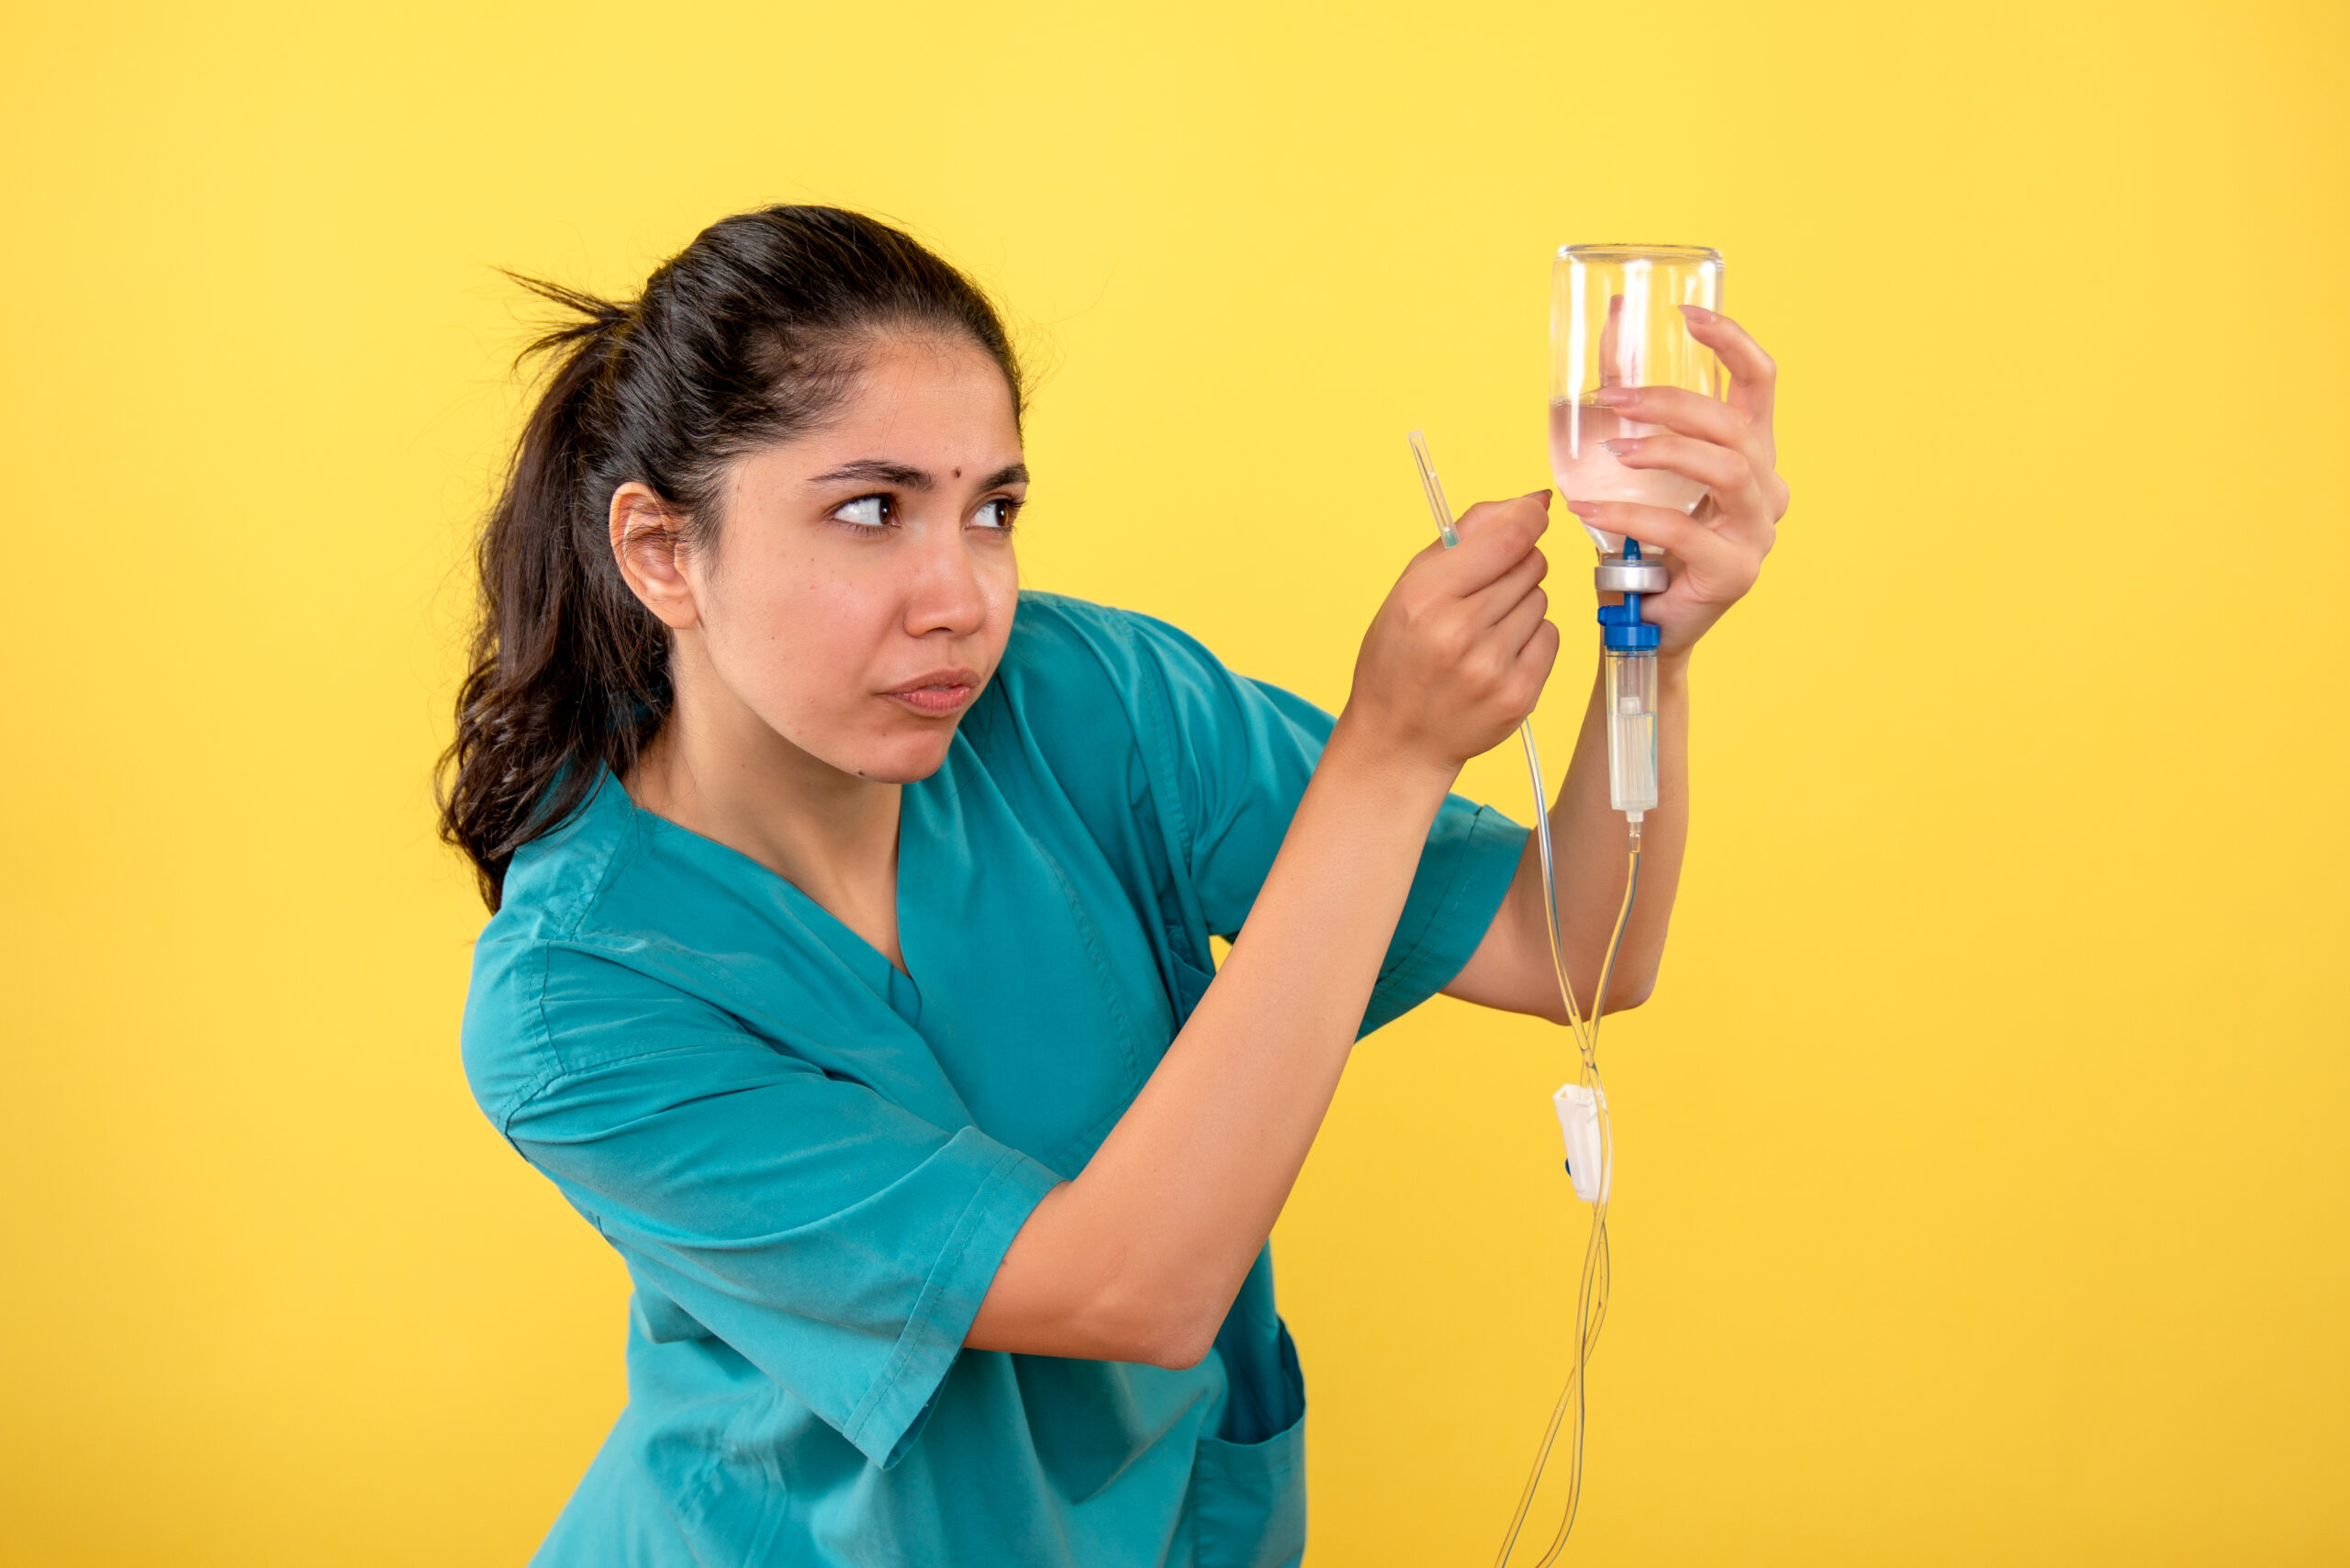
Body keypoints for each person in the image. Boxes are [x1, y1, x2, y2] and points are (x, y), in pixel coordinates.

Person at [442, 205, 1785, 1568]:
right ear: (662, 552)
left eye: (992, 513)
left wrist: (1652, 651)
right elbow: (1131, 1291)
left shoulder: (1086, 702)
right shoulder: (578, 1002)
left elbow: (1570, 947)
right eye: (871, 511)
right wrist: (1387, 757)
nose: (960, 598)